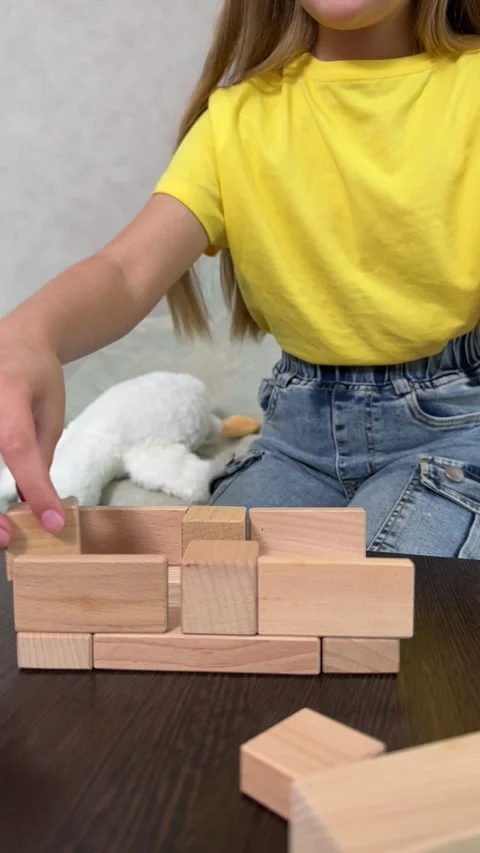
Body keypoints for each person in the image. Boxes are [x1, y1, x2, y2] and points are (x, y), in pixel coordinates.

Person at [0, 0, 479, 558]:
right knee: (209, 589)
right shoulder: (235, 120)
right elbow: (125, 270)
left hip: (453, 431)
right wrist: (27, 335)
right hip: (295, 438)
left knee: (373, 619)